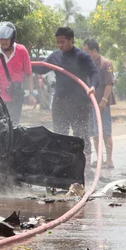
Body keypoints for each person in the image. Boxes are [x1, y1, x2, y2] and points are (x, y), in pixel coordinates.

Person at [33, 27, 99, 166]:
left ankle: (85, 165)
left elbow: (94, 72)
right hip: (60, 101)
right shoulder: (55, 56)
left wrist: (92, 86)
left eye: (63, 42)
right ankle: (62, 163)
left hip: (79, 102)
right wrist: (27, 65)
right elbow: (42, 68)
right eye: (58, 42)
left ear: (71, 40)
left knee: (80, 134)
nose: (60, 45)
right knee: (60, 133)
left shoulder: (81, 56)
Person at [0, 22, 36, 124]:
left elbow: (28, 74)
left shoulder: (22, 51)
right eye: (1, 39)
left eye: (6, 39)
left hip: (16, 98)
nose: (4, 42)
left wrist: (31, 94)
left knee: (14, 127)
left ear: (12, 38)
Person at [83, 39, 116, 169]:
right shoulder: (87, 65)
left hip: (102, 105)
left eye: (87, 51)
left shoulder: (105, 64)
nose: (85, 54)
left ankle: (109, 160)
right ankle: (99, 159)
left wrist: (104, 100)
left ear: (95, 51)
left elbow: (109, 84)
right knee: (95, 134)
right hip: (91, 105)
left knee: (106, 132)